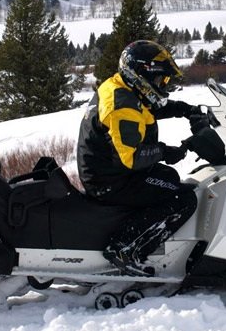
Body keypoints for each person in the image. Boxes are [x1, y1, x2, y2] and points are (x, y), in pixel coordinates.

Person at [77, 40, 202, 276]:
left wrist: (184, 110)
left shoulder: (122, 87)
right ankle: (124, 247)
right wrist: (166, 152)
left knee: (168, 178)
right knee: (182, 198)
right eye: (159, 79)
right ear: (141, 75)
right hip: (109, 181)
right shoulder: (123, 105)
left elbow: (146, 109)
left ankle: (140, 235)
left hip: (108, 170)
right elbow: (132, 158)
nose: (162, 84)